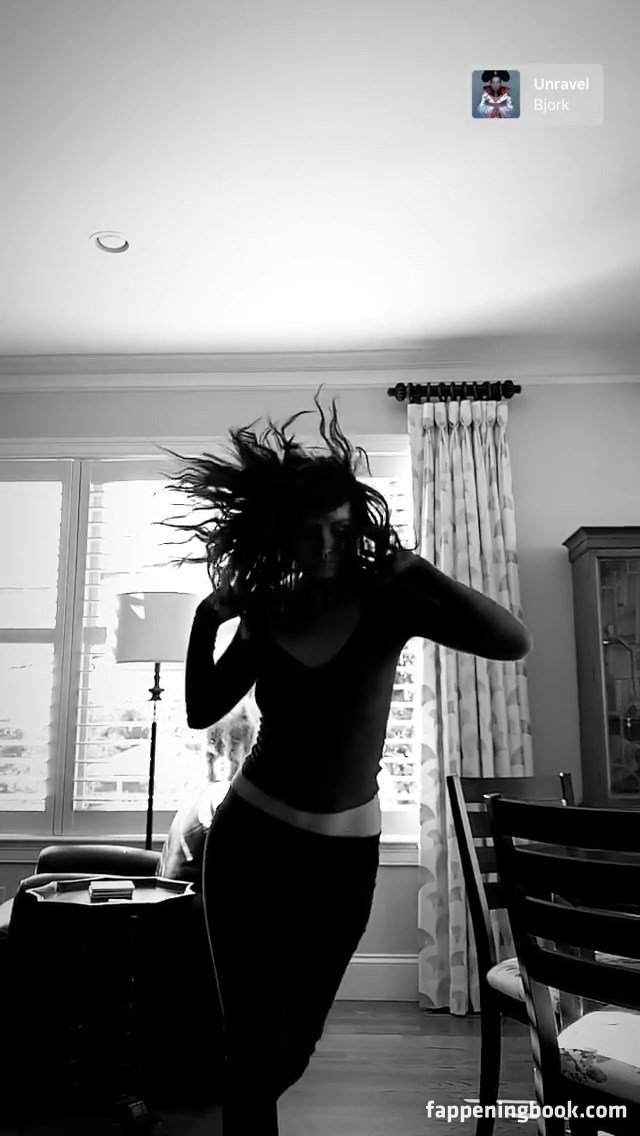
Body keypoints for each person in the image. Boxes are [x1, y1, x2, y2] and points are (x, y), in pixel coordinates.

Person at [163, 387, 532, 1135]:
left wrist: (420, 573)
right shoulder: (269, 610)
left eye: (339, 528)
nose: (328, 545)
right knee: (249, 1048)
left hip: (340, 861)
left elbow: (511, 640)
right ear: (285, 536)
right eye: (311, 532)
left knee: (291, 1048)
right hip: (250, 844)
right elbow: (203, 709)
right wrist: (207, 619)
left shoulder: (389, 602)